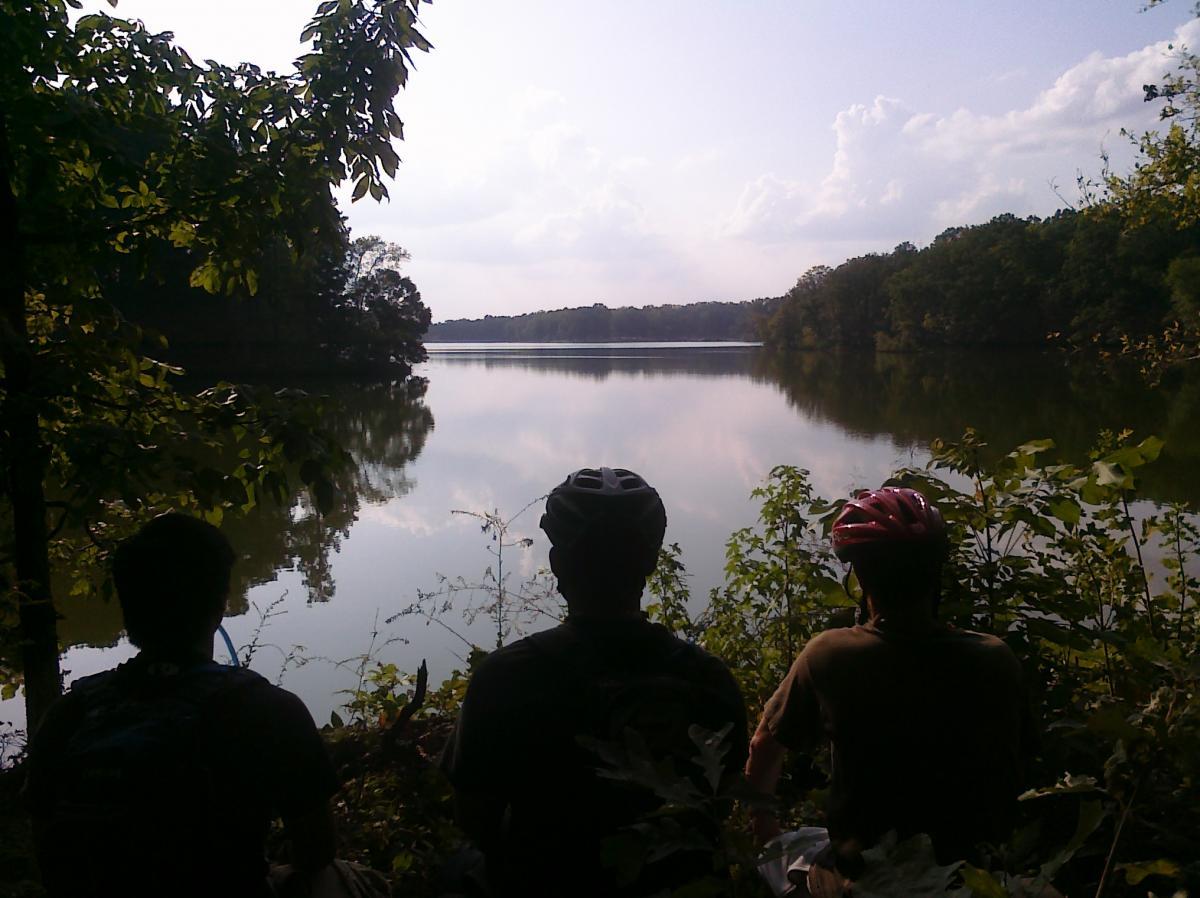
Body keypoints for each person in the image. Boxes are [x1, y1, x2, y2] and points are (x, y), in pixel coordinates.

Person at [441, 467, 749, 898]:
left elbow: (474, 818)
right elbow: (721, 802)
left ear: (556, 565)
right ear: (651, 563)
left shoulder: (505, 678)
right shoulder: (707, 678)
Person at [24, 513, 340, 898]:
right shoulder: (268, 711)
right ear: (220, 604)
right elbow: (317, 848)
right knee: (343, 879)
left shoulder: (69, 714)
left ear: (127, 610)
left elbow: (47, 852)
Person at [746, 487, 1033, 893]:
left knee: (783, 850)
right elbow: (1019, 763)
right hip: (970, 875)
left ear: (860, 576)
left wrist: (764, 825)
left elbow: (763, 748)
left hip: (864, 879)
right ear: (935, 571)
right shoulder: (996, 659)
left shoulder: (831, 655)